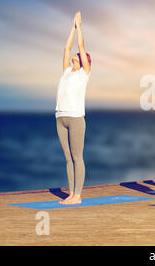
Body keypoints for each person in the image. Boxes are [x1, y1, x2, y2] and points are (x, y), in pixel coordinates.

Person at [55, 11, 91, 205]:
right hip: (60, 118)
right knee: (68, 159)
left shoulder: (84, 74)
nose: (75, 56)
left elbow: (80, 46)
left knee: (77, 156)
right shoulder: (67, 71)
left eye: (80, 56)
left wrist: (80, 27)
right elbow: (66, 47)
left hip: (76, 118)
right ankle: (71, 193)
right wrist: (72, 27)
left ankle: (78, 195)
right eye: (76, 56)